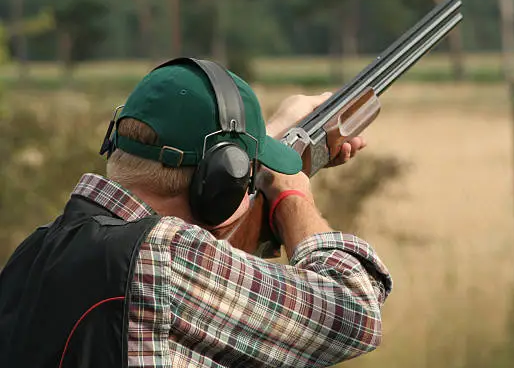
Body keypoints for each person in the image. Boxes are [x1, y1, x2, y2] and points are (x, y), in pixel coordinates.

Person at [0, 58, 393, 368]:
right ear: (217, 186)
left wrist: (255, 146)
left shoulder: (38, 252)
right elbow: (354, 311)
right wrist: (292, 196)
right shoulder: (165, 256)